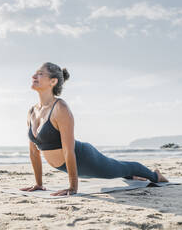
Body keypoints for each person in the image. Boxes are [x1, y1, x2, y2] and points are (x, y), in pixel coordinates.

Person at [20, 62, 168, 196]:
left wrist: (73, 187)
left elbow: (68, 150)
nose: (34, 76)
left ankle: (155, 175)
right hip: (68, 165)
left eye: (40, 73)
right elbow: (34, 152)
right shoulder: (32, 111)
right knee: (118, 170)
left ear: (53, 81)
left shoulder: (60, 108)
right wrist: (39, 184)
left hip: (85, 159)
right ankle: (133, 177)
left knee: (120, 168)